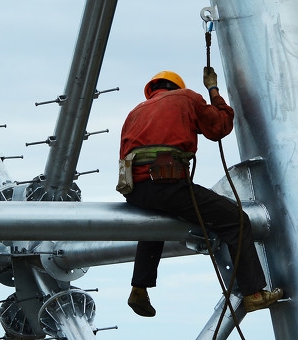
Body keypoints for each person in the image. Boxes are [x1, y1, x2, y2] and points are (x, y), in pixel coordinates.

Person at [118, 68, 282, 318]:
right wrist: (213, 90)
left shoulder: (135, 112)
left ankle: (139, 288)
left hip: (136, 192)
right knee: (236, 221)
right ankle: (254, 294)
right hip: (168, 185)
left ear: (152, 89)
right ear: (177, 87)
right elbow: (219, 126)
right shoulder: (187, 98)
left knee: (154, 226)